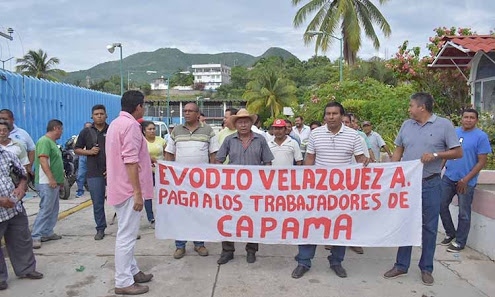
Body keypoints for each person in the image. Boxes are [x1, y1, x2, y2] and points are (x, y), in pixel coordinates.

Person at [383, 92, 462, 286]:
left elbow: (457, 152)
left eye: (411, 106)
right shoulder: (406, 125)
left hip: (430, 182)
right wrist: (394, 171)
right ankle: (401, 265)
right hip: (407, 183)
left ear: (422, 107)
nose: (408, 109)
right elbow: (398, 150)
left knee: (429, 227)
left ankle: (426, 268)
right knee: (405, 223)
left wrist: (435, 154)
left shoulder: (444, 125)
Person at [292, 102, 366, 280]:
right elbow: (310, 158)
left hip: (342, 191)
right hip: (317, 189)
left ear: (342, 116)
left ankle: (336, 262)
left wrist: (368, 163)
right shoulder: (316, 134)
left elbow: (360, 159)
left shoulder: (353, 136)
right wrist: (305, 184)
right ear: (325, 116)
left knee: (339, 227)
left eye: (334, 114)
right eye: (328, 114)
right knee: (310, 225)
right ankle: (303, 261)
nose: (331, 117)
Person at [106, 90, 154, 295]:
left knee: (128, 233)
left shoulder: (116, 124)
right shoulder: (132, 126)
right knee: (126, 236)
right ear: (139, 107)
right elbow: (130, 161)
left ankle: (132, 271)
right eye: (143, 105)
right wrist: (137, 192)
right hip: (128, 189)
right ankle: (124, 281)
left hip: (118, 185)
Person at [215, 108, 274, 265]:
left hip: (255, 188)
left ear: (251, 123)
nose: (243, 125)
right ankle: (227, 251)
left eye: (246, 122)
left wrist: (267, 184)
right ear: (236, 124)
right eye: (240, 122)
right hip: (232, 188)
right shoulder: (228, 140)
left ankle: (251, 250)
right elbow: (219, 160)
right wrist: (218, 178)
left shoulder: (261, 140)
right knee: (228, 218)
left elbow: (268, 162)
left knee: (252, 219)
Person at [165, 102, 219, 259]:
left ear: (198, 114)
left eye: (190, 111)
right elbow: (169, 154)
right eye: (185, 111)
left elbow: (213, 155)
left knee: (199, 213)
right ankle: (180, 245)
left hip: (201, 182)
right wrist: (168, 176)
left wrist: (213, 177)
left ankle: (199, 244)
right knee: (181, 213)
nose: (186, 114)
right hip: (180, 181)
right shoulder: (176, 131)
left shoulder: (208, 130)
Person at [439, 109, 492, 252]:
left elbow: (481, 162)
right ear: (461, 118)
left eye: (472, 117)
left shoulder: (481, 136)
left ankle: (460, 242)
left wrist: (466, 179)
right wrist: (439, 170)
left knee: (464, 213)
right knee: (441, 205)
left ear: (476, 120)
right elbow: (447, 153)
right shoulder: (454, 133)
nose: (468, 120)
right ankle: (450, 233)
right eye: (466, 117)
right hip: (449, 177)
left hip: (466, 181)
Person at [0, 145, 43, 290]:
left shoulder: (6, 154)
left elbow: (22, 174)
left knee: (21, 240)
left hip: (14, 208)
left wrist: (21, 187)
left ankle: (26, 269)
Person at [75, 105, 109, 241]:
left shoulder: (112, 129)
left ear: (106, 115)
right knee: (97, 202)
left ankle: (126, 228)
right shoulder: (86, 132)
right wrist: (89, 152)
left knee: (121, 201)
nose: (99, 116)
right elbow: (77, 149)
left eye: (101, 113)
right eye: (96, 114)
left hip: (113, 171)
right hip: (94, 172)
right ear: (92, 116)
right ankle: (100, 228)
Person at [31, 119, 64, 249]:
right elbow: (43, 161)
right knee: (45, 209)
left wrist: (59, 181)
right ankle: (36, 236)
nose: (62, 132)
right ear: (56, 128)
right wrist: (51, 178)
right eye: (61, 129)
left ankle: (47, 232)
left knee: (53, 209)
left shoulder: (52, 143)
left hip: (53, 183)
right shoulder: (44, 141)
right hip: (46, 183)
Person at [141, 121, 166, 228]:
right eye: (149, 129)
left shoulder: (161, 140)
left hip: (161, 171)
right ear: (144, 131)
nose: (152, 131)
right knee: (148, 195)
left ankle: (164, 216)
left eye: (153, 129)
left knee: (163, 194)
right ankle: (151, 218)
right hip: (147, 172)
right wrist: (149, 159)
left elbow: (167, 153)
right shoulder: (141, 142)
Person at [0, 109, 36, 173]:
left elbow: (32, 150)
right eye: (0, 118)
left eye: (5, 119)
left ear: (12, 120)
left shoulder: (22, 134)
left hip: (19, 174)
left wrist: (29, 167)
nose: (2, 121)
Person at [75, 122, 92, 198]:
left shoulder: (95, 136)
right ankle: (80, 190)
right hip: (83, 157)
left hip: (92, 157)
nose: (87, 129)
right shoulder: (80, 136)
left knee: (92, 174)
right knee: (81, 174)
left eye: (89, 127)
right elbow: (75, 146)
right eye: (86, 128)